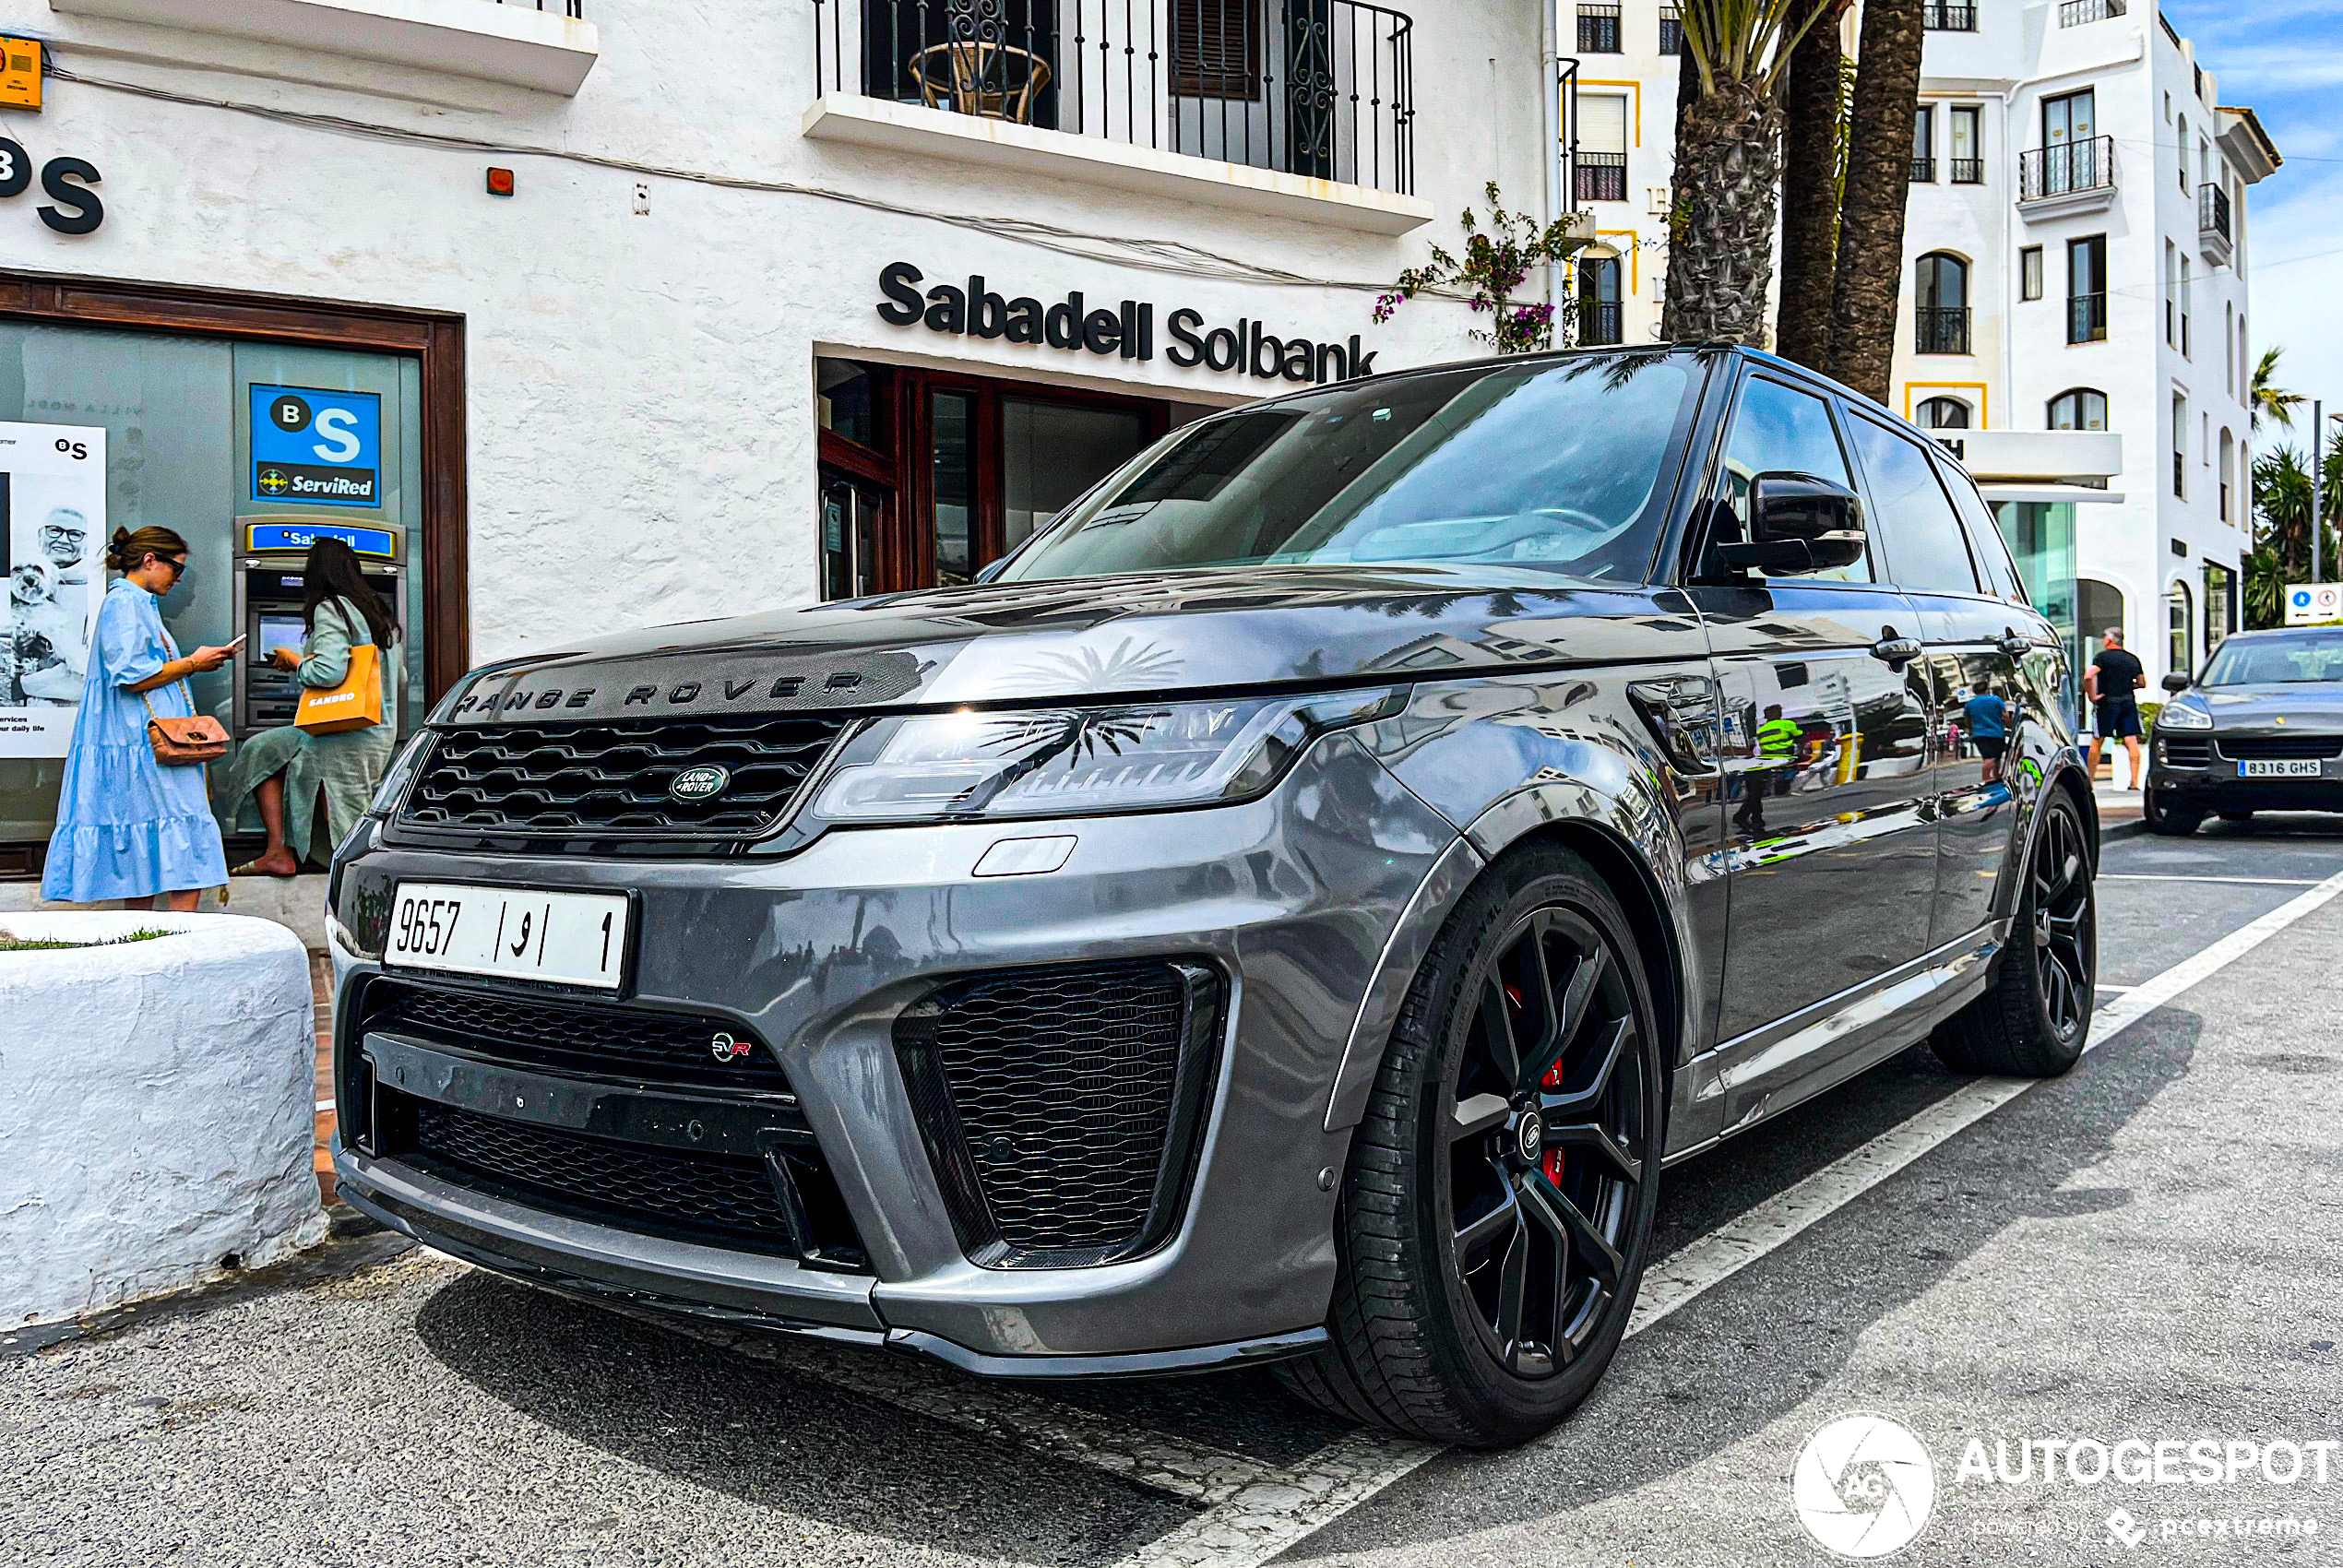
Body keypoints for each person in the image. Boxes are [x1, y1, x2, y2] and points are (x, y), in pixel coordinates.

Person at [40, 526, 234, 912]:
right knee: (183, 833)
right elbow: (131, 676)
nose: (179, 580)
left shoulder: (135, 603)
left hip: (139, 740)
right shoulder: (126, 604)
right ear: (149, 560)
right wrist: (194, 663)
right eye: (176, 569)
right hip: (145, 741)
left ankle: (145, 938)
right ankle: (179, 938)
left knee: (147, 833)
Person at [222, 537, 400, 878]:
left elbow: (329, 672)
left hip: (343, 733)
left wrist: (296, 663)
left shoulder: (330, 607)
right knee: (263, 748)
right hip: (373, 730)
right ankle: (278, 852)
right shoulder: (378, 614)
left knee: (346, 820)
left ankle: (358, 888)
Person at [2085, 628, 2147, 789]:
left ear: (2110, 640)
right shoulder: (2132, 659)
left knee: (2097, 740)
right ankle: (2134, 782)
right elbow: (2142, 683)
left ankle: (2089, 781)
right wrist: (2127, 685)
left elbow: (2089, 676)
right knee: (2131, 739)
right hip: (2127, 702)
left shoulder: (2102, 657)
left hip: (2107, 702)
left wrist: (2092, 695)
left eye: (2105, 637)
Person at [1965, 677, 2009, 785]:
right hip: (1997, 733)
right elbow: (2005, 715)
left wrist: (1970, 729)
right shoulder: (1996, 700)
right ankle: (1995, 776)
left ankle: (1987, 779)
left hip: (1980, 734)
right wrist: (2008, 725)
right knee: (1997, 757)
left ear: (1974, 691)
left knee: (1988, 758)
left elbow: (1968, 719)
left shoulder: (1970, 704)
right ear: (1986, 689)